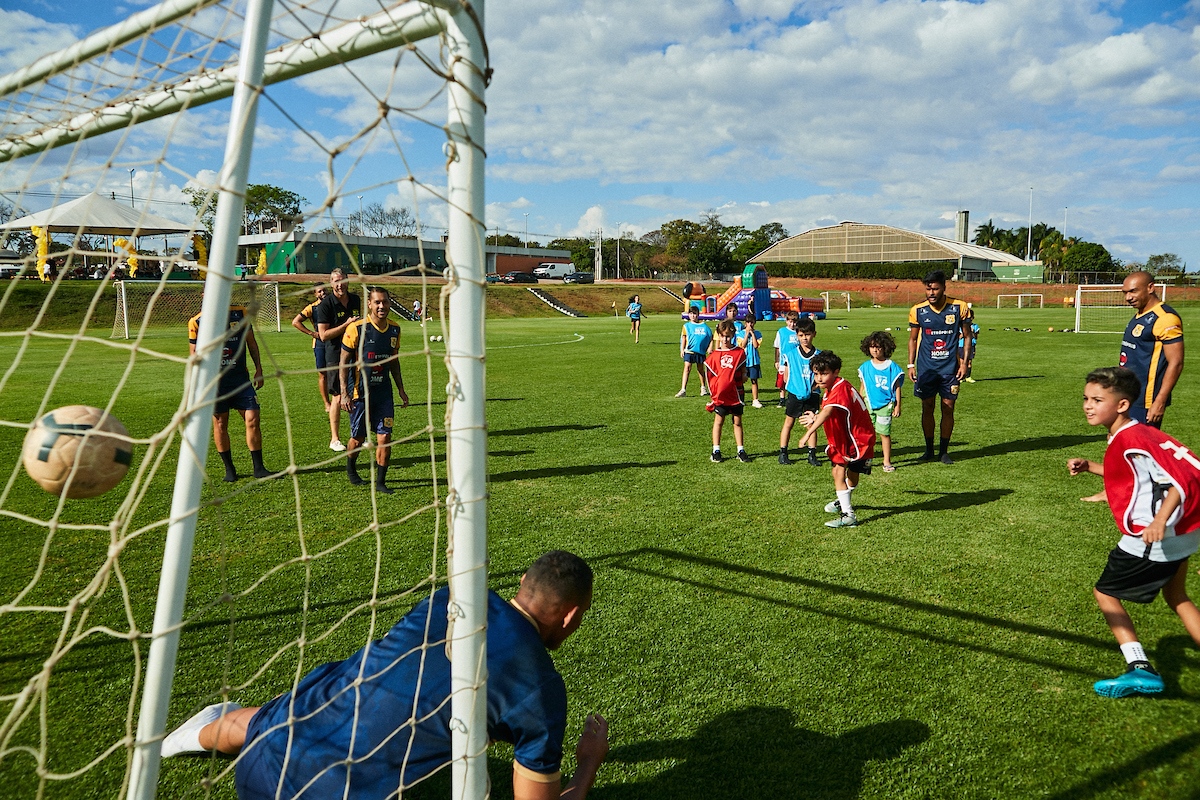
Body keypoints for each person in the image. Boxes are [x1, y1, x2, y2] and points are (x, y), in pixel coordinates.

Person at [161, 550, 610, 800]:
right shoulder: (543, 687)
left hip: (262, 757)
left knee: (294, 713)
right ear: (570, 616)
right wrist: (587, 763)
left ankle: (182, 739)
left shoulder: (453, 598)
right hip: (321, 794)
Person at [1066, 367, 1200, 697]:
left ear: (1122, 404)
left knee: (1105, 593)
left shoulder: (1132, 439)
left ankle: (1140, 669)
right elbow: (1138, 475)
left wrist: (1158, 522)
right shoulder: (1140, 433)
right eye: (1086, 398)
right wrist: (1091, 467)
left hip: (1156, 536)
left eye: (1098, 400)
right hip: (1185, 533)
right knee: (1177, 596)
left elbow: (1178, 481)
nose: (1088, 405)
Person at [187, 305, 272, 482]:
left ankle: (259, 468)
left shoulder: (241, 313)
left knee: (253, 418)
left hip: (240, 379)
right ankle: (230, 470)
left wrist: (259, 369)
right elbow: (193, 356)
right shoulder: (196, 322)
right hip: (215, 384)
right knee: (220, 423)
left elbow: (251, 342)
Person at [340, 287, 409, 494]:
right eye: (377, 302)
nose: (381, 306)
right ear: (369, 304)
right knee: (358, 439)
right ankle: (351, 469)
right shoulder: (357, 329)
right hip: (360, 394)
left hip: (384, 394)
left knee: (384, 438)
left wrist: (401, 389)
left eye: (385, 302)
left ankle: (380, 482)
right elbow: (343, 363)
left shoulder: (395, 329)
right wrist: (344, 393)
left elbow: (394, 362)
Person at [800, 351, 876, 528]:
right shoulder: (834, 387)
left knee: (840, 473)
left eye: (824, 373)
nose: (819, 378)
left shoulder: (839, 387)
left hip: (855, 440)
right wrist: (815, 417)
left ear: (836, 372)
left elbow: (828, 411)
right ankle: (843, 503)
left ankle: (848, 514)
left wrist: (808, 432)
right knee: (846, 475)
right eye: (816, 374)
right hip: (856, 437)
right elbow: (831, 411)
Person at [906, 270, 971, 464]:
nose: (931, 293)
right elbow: (913, 339)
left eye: (935, 288)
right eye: (928, 289)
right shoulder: (918, 310)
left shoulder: (959, 307)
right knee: (927, 407)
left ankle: (943, 451)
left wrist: (965, 362)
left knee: (948, 407)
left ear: (944, 287)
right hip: (926, 368)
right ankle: (928, 450)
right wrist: (911, 364)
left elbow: (967, 336)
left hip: (949, 369)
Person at [1119, 271, 1183, 428]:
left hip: (1146, 400)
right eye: (1125, 293)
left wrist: (1159, 401)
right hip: (1128, 394)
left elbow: (1176, 362)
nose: (1128, 298)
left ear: (1150, 287)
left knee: (1140, 449)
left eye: (1133, 291)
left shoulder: (1165, 318)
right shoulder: (1139, 315)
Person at [314, 268, 362, 452]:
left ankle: (356, 435)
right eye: (335, 281)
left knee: (356, 394)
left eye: (342, 280)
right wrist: (346, 325)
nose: (339, 284)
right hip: (334, 354)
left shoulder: (355, 299)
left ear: (348, 281)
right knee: (338, 396)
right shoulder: (325, 305)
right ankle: (334, 439)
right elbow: (324, 335)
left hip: (354, 352)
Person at [777, 314, 821, 466]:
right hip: (795, 394)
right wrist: (795, 387)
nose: (804, 338)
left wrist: (812, 387)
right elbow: (786, 376)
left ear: (814, 334)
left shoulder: (819, 356)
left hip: (812, 395)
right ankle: (783, 452)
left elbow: (822, 378)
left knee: (811, 424)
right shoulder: (790, 354)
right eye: (801, 335)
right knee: (789, 423)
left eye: (808, 334)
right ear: (796, 335)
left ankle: (812, 454)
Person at [857, 331, 904, 472]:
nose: (875, 350)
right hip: (868, 403)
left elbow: (897, 387)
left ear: (885, 348)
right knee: (867, 433)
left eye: (878, 347)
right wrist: (859, 403)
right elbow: (863, 386)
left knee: (884, 433)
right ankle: (866, 459)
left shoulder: (892, 366)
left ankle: (886, 461)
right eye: (872, 347)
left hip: (885, 405)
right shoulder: (865, 367)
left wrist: (897, 406)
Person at [704, 320, 748, 463]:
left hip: (735, 394)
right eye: (723, 336)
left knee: (737, 421)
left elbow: (743, 371)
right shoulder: (715, 355)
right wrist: (714, 392)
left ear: (733, 335)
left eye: (728, 336)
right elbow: (709, 374)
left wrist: (744, 375)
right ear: (719, 336)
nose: (725, 339)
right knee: (719, 421)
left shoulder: (739, 352)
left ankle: (740, 450)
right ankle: (716, 450)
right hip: (721, 396)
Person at [290, 285, 330, 414]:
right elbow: (296, 322)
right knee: (323, 373)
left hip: (336, 342)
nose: (323, 293)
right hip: (320, 344)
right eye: (320, 291)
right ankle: (327, 403)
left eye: (325, 290)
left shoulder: (334, 303)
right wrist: (312, 333)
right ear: (315, 294)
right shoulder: (312, 308)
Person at [676, 307, 713, 397]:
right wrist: (682, 349)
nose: (693, 316)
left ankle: (703, 388)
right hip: (689, 351)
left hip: (700, 351)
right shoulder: (686, 326)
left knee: (700, 369)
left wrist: (709, 347)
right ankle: (683, 389)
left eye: (695, 313)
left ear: (698, 315)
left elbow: (711, 338)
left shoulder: (704, 327)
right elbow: (684, 338)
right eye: (691, 313)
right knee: (687, 368)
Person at [738, 315, 764, 408]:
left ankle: (755, 400)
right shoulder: (740, 333)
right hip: (744, 361)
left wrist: (752, 334)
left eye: (752, 322)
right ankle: (740, 399)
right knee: (740, 380)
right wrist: (746, 334)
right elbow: (742, 345)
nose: (750, 325)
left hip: (754, 360)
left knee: (754, 380)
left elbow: (756, 345)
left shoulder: (758, 333)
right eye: (748, 322)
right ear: (745, 323)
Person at [772, 312, 797, 408]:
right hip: (783, 361)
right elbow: (777, 347)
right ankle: (782, 399)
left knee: (793, 379)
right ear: (786, 321)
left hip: (794, 362)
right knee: (782, 381)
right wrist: (776, 360)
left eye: (794, 322)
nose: (792, 324)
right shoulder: (781, 332)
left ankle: (792, 398)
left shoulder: (799, 332)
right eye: (790, 322)